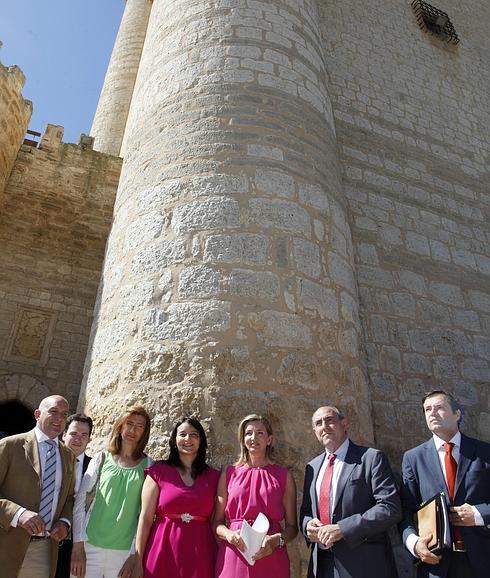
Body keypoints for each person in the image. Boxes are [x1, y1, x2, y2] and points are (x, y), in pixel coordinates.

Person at [300, 405, 401, 578]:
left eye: (329, 420)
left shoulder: (370, 458)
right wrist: (307, 525)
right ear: (315, 431)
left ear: (344, 424)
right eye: (318, 423)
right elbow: (306, 511)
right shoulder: (312, 467)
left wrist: (342, 529)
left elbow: (389, 508)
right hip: (322, 566)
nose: (324, 426)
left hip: (363, 564)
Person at [399, 390, 490, 578]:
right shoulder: (413, 458)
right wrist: (414, 543)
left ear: (457, 414)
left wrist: (480, 514)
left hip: (482, 559)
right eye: (427, 409)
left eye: (439, 407)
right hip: (436, 564)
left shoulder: (485, 452)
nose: (432, 413)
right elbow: (405, 510)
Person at [133, 417, 220, 578]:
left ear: (201, 440)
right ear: (174, 440)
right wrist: (137, 559)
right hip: (162, 549)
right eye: (183, 434)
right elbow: (145, 518)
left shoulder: (214, 477)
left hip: (201, 552)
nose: (188, 439)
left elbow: (217, 520)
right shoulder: (158, 472)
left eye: (194, 435)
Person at [71, 405, 152, 578]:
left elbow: (145, 515)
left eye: (140, 426)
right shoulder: (101, 459)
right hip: (89, 547)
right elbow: (80, 503)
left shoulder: (150, 467)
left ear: (145, 432)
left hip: (123, 554)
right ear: (120, 425)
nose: (133, 430)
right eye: (129, 423)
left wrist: (134, 555)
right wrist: (78, 546)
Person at [0, 394, 76, 578]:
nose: (59, 419)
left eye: (64, 414)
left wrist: (65, 523)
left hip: (44, 550)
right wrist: (18, 514)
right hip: (6, 545)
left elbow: (68, 498)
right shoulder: (9, 446)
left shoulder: (68, 456)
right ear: (37, 414)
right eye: (53, 412)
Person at [214, 414, 298, 578]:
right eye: (248, 433)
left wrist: (276, 541)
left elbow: (292, 528)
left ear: (269, 439)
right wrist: (229, 535)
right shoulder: (229, 473)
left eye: (260, 433)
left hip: (270, 553)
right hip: (234, 552)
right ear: (242, 440)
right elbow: (216, 522)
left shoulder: (283, 475)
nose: (253, 437)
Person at [55, 413, 93, 578]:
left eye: (84, 435)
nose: (78, 439)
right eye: (73, 434)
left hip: (78, 542)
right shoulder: (49, 462)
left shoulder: (95, 467)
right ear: (63, 435)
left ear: (90, 439)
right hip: (46, 537)